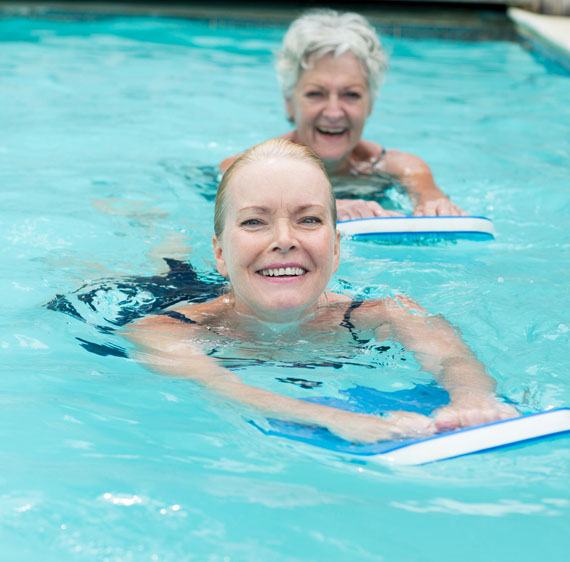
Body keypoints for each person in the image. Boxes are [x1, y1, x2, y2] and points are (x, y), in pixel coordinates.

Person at [124, 139, 516, 444]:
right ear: (221, 253)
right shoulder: (162, 329)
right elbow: (221, 388)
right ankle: (148, 224)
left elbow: (452, 360)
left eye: (308, 219)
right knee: (167, 260)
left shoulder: (386, 312)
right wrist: (335, 418)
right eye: (255, 221)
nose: (284, 240)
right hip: (171, 293)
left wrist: (471, 400)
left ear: (336, 247)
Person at [220, 9, 468, 222]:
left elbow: (429, 196)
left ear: (370, 104)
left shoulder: (401, 168)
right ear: (290, 104)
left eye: (351, 95)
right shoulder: (245, 167)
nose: (334, 112)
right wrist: (328, 207)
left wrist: (435, 203)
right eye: (316, 94)